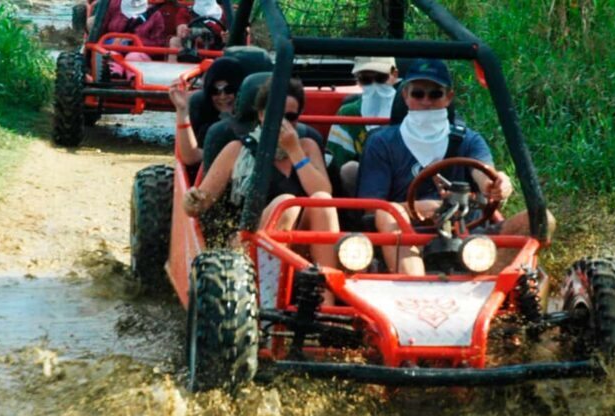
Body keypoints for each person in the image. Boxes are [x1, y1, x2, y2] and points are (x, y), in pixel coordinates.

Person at [357, 58, 555, 275]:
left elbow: (482, 172)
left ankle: (487, 287)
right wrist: (415, 208)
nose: (426, 101)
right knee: (388, 215)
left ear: (448, 97)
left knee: (542, 218)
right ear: (405, 95)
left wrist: (496, 183)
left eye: (435, 94)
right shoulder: (382, 142)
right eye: (418, 94)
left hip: (471, 241)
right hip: (409, 238)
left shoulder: (469, 140)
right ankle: (414, 286)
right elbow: (372, 208)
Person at [183, 78, 340, 302]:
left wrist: (294, 151)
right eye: (278, 115)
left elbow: (324, 192)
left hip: (300, 245)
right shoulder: (236, 149)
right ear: (261, 115)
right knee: (286, 204)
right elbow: (200, 203)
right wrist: (191, 199)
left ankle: (327, 302)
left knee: (320, 202)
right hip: (247, 239)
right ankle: (268, 300)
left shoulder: (307, 146)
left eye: (291, 117)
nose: (284, 123)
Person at [326, 56, 398, 196]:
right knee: (349, 169)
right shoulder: (348, 113)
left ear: (394, 75)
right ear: (358, 80)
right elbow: (338, 162)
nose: (374, 85)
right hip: (364, 183)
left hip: (404, 175)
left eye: (380, 78)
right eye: (366, 79)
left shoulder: (408, 108)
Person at [169, 56, 244, 166]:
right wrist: (182, 110)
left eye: (229, 90)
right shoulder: (210, 130)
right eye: (215, 91)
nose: (222, 97)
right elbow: (191, 158)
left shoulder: (256, 122)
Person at [87, 0, 166, 48]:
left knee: (133, 56)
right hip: (113, 46)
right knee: (109, 54)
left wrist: (130, 42)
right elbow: (101, 27)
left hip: (138, 52)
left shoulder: (156, 14)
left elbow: (158, 42)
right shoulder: (115, 4)